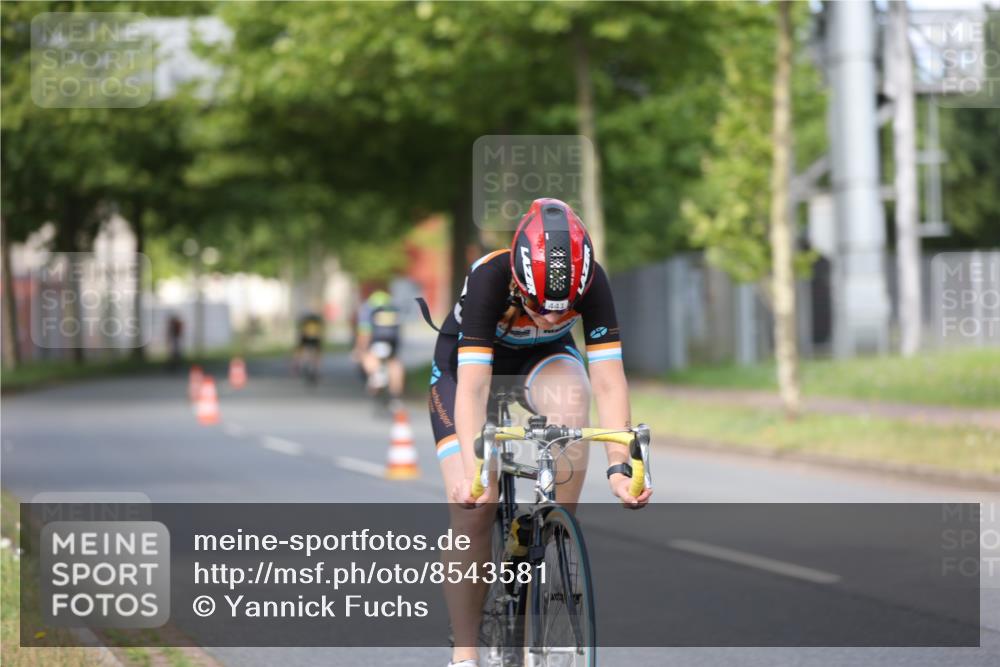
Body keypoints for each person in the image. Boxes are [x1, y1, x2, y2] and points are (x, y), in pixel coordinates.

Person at [425, 197, 652, 667]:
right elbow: (473, 390)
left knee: (574, 399)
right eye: (537, 306)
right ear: (517, 276)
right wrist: (473, 472)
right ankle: (465, 654)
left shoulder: (593, 280)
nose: (550, 318)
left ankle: (553, 531)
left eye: (562, 311)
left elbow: (609, 382)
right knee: (475, 508)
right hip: (467, 370)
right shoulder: (490, 276)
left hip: (543, 360)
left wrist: (619, 466)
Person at [353, 289, 404, 402]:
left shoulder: (367, 309)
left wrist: (360, 349)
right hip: (392, 339)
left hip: (376, 339)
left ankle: (376, 374)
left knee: (367, 356)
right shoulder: (393, 308)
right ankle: (396, 396)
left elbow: (365, 331)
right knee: (394, 363)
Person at [294, 311, 324, 382]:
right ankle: (315, 369)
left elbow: (300, 330)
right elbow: (320, 331)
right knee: (316, 355)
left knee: (303, 352)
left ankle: (299, 364)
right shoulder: (317, 320)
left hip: (307, 338)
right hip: (314, 338)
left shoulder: (305, 321)